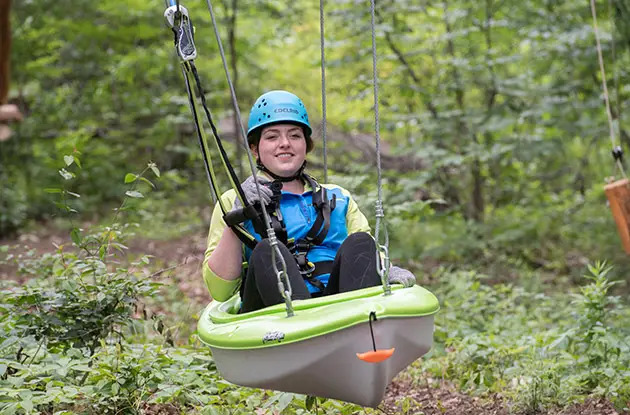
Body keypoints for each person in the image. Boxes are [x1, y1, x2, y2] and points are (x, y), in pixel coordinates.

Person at [203, 90, 415, 312]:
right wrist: (239, 216)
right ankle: (303, 330)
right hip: (273, 315)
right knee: (269, 250)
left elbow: (366, 255)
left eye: (295, 135)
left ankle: (355, 327)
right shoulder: (232, 201)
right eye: (272, 136)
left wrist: (386, 269)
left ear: (306, 145)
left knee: (361, 241)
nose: (285, 143)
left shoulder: (338, 197)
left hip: (338, 305)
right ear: (255, 149)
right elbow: (220, 291)